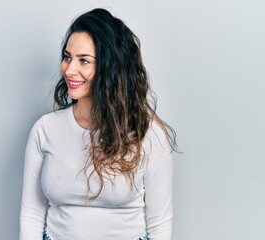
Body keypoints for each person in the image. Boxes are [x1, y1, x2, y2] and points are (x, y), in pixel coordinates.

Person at [20, 8, 176, 240]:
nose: (69, 69)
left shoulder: (148, 134)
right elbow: (32, 214)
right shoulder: (44, 130)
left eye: (84, 60)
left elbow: (160, 224)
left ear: (111, 68)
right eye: (67, 57)